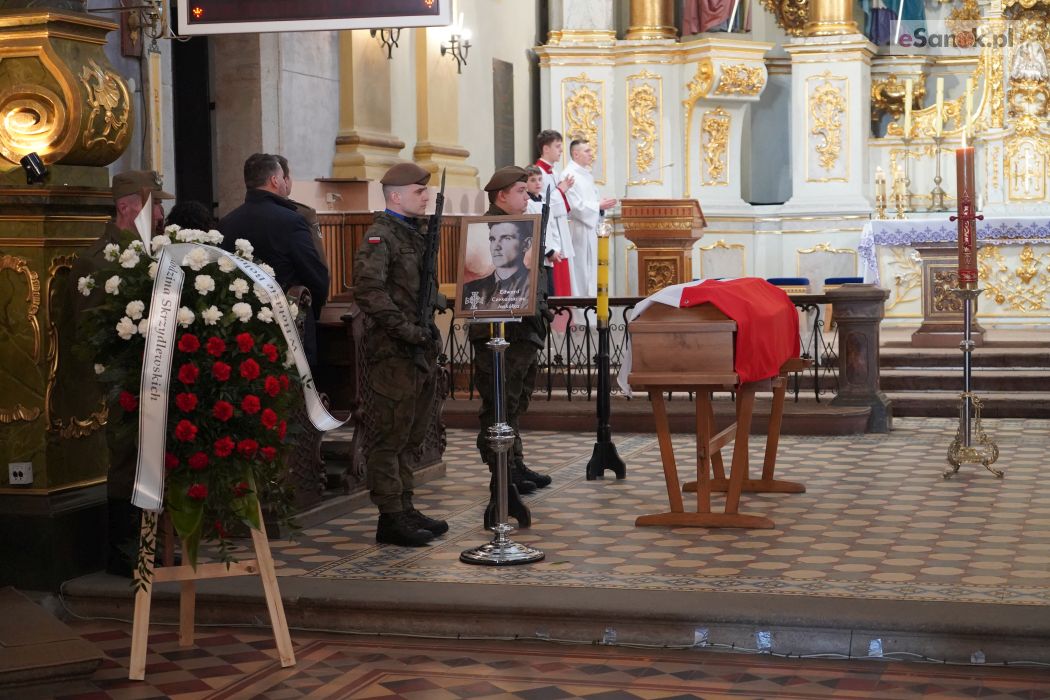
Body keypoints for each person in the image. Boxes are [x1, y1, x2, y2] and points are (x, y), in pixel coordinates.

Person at [69, 170, 173, 577]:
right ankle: (126, 549)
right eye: (154, 205)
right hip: (119, 381)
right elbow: (89, 333)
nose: (161, 214)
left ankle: (153, 544)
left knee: (154, 456)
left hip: (154, 375)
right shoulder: (96, 261)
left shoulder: (154, 253)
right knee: (128, 460)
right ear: (128, 208)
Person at [352, 162, 448, 547]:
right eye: (418, 191)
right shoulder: (381, 236)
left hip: (418, 348)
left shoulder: (413, 233)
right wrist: (405, 329)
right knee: (389, 436)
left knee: (412, 434)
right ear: (395, 196)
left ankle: (405, 506)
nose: (426, 197)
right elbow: (369, 291)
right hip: (393, 352)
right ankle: (390, 516)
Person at [469, 166, 554, 530]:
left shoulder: (522, 228)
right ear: (501, 195)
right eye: (521, 191)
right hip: (499, 332)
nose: (527, 196)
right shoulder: (485, 231)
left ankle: (514, 466)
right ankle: (500, 474)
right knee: (499, 405)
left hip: (523, 331)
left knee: (515, 402)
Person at [218, 153, 330, 369]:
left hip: (242, 329)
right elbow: (315, 276)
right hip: (288, 327)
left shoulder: (227, 223)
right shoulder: (291, 221)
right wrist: (311, 312)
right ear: (275, 180)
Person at [564, 139, 618, 296]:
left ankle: (593, 308)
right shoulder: (568, 175)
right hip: (578, 231)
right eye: (587, 151)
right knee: (581, 272)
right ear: (576, 154)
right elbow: (574, 206)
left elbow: (590, 203)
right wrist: (598, 205)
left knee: (592, 271)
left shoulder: (586, 175)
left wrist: (600, 206)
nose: (591, 154)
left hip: (591, 230)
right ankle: (581, 309)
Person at [534, 130, 576, 295]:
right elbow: (540, 204)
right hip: (550, 232)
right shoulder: (538, 173)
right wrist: (560, 190)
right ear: (546, 149)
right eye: (557, 146)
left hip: (560, 227)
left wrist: (561, 190)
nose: (561, 150)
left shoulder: (554, 172)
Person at [461, 220, 534, 312]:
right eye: (492, 239)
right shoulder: (470, 289)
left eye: (507, 238)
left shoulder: (534, 286)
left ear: (526, 244)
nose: (496, 247)